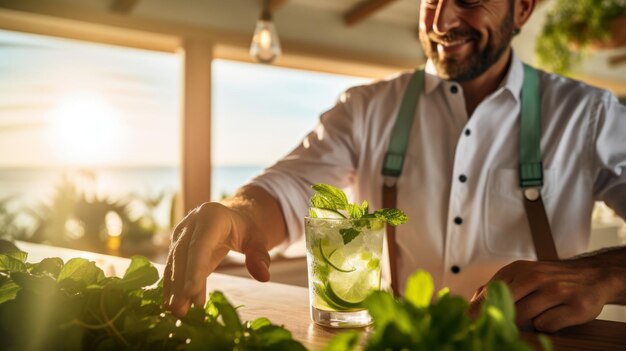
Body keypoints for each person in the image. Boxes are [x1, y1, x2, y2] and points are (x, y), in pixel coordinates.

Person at [164, 0, 626, 333]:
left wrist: (605, 273)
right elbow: (294, 183)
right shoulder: (367, 108)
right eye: (430, 1)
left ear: (522, 9)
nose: (441, 21)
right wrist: (239, 215)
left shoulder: (589, 115)